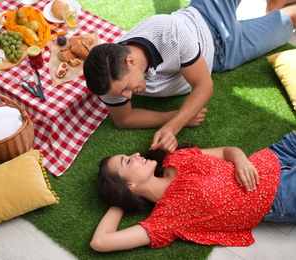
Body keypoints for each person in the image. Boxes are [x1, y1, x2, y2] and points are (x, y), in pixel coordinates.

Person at [83, 0, 296, 154]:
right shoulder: (108, 80)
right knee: (288, 22)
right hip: (225, 53)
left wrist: (174, 126)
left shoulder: (169, 30)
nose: (127, 96)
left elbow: (203, 85)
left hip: (207, 11)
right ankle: (279, 9)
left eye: (126, 89)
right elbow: (124, 119)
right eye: (122, 93)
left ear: (131, 61)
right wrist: (174, 116)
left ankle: (275, 3)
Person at [90, 131, 296, 252]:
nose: (135, 154)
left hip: (278, 154)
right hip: (280, 195)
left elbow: (227, 151)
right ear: (129, 186)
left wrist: (241, 160)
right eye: (127, 161)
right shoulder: (166, 219)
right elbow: (100, 242)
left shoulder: (175, 158)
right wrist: (121, 200)